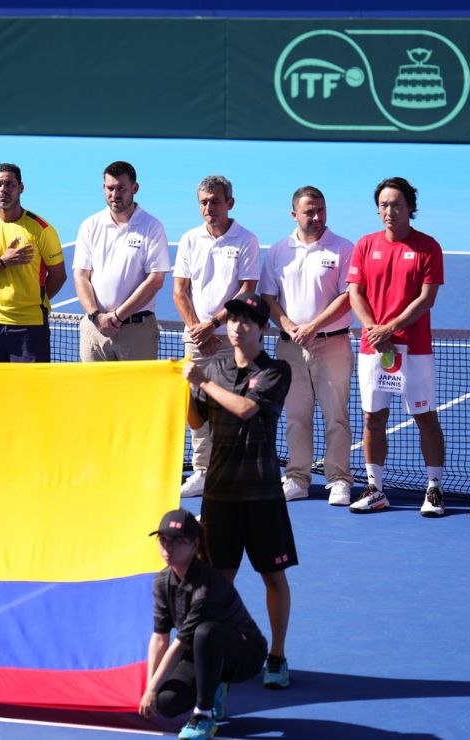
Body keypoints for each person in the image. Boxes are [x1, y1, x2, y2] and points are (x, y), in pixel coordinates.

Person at [184, 292, 296, 691]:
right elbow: (197, 420)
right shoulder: (212, 367)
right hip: (219, 495)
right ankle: (219, 659)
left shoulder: (276, 370)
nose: (237, 327)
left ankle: (277, 656)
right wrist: (182, 392)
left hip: (262, 494)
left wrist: (201, 382)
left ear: (263, 329)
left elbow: (246, 410)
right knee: (218, 583)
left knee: (273, 577)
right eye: (232, 320)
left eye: (247, 321)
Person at [346, 177, 446, 516]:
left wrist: (391, 327)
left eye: (397, 205)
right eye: (384, 205)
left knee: (425, 417)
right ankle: (375, 489)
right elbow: (355, 293)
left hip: (413, 350)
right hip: (374, 349)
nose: (389, 211)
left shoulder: (427, 247)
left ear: (409, 208)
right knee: (373, 418)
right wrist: (374, 330)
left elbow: (426, 299)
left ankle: (433, 489)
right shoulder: (364, 245)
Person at [260, 186, 355, 506]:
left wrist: (313, 326)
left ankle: (339, 479)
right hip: (289, 349)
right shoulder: (277, 250)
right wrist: (287, 325)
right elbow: (268, 297)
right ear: (294, 215)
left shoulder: (343, 248)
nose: (316, 217)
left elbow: (347, 297)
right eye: (309, 212)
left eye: (321, 210)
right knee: (296, 416)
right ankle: (297, 478)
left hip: (333, 345)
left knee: (336, 417)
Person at [141, 509, 268, 740]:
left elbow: (179, 644)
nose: (168, 548)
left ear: (194, 545)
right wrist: (151, 687)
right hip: (200, 652)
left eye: (177, 542)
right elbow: (160, 637)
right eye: (164, 540)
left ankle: (203, 715)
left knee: (205, 632)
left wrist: (150, 689)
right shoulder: (162, 581)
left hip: (245, 654)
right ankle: (214, 683)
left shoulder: (207, 585)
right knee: (165, 702)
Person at [173, 175, 260, 497]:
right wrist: (198, 329)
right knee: (196, 408)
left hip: (234, 339)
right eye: (204, 202)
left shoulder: (246, 240)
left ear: (230, 203)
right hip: (196, 340)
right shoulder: (189, 239)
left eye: (215, 201)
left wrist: (215, 324)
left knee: (234, 406)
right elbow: (180, 291)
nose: (209, 208)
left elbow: (247, 288)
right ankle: (201, 470)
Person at [0, 163, 67, 362]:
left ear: (21, 188)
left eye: (9, 184)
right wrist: (3, 262)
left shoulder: (42, 229)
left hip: (30, 327)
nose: (3, 189)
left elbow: (59, 276)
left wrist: (32, 303)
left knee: (30, 392)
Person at [73, 160, 170, 362]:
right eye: (110, 188)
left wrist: (116, 317)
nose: (115, 194)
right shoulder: (90, 225)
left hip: (136, 332)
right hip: (94, 329)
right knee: (94, 393)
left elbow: (155, 280)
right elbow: (81, 275)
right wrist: (96, 316)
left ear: (135, 188)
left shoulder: (152, 227)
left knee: (137, 394)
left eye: (121, 189)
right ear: (103, 188)